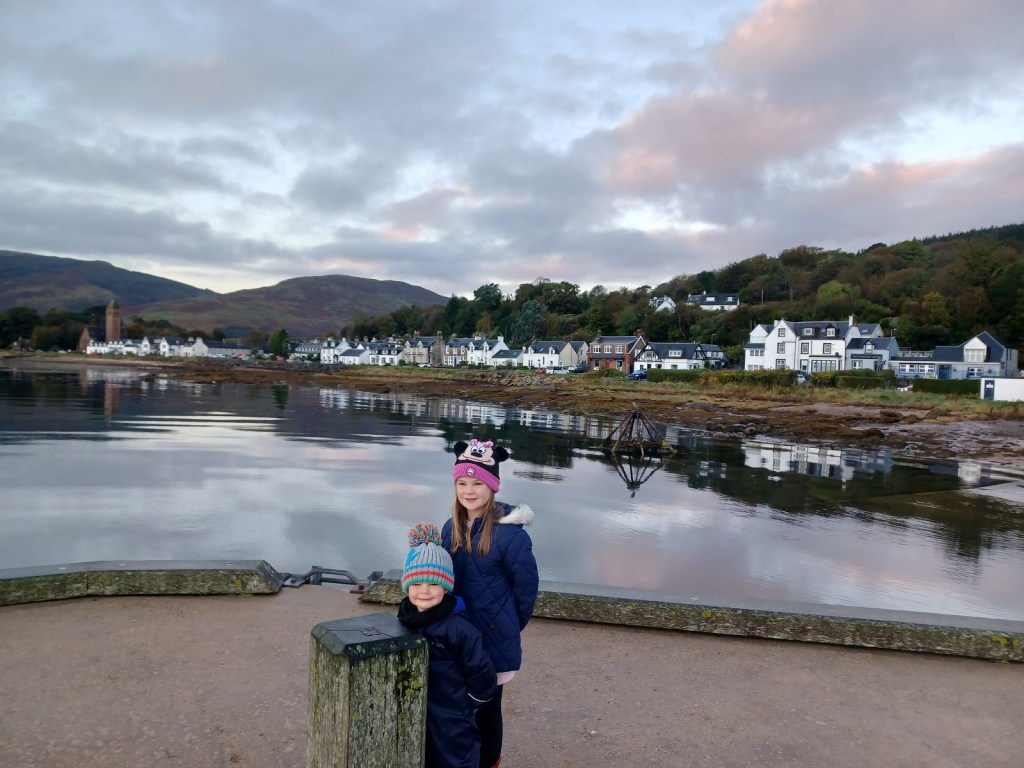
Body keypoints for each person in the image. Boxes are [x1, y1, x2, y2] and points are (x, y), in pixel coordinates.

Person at [441, 439, 539, 768]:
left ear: (492, 486)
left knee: (487, 710)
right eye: (462, 483)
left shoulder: (511, 537)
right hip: (456, 636)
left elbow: (525, 592)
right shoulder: (449, 528)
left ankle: (489, 763)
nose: (469, 491)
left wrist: (507, 625)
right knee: (458, 705)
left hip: (494, 639)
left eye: (478, 483)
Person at [397, 522, 497, 768]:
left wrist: (466, 706)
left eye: (433, 584)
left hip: (452, 714)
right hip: (419, 708)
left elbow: (482, 674)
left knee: (455, 758)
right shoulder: (405, 617)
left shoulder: (458, 627)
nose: (424, 591)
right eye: (417, 584)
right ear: (407, 586)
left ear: (446, 586)